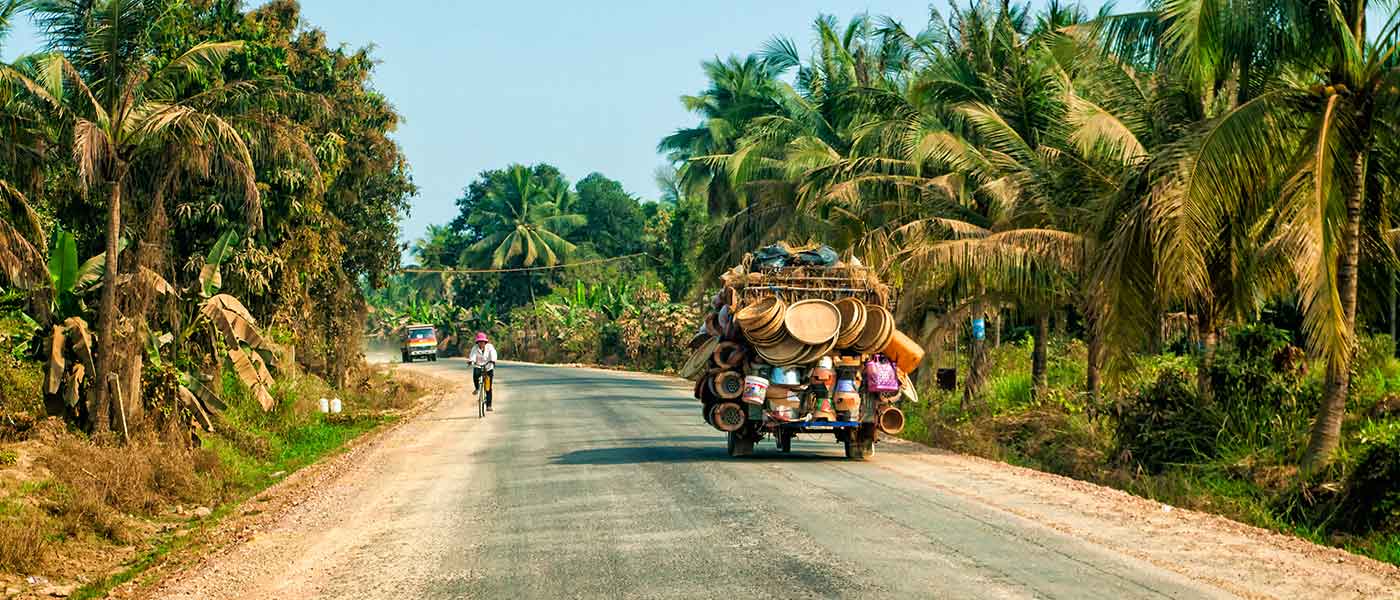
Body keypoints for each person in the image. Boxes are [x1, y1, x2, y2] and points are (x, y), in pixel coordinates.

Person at [468, 332, 498, 410]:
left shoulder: (490, 347)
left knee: (488, 387)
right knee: (475, 375)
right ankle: (477, 388)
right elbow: (472, 356)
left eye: (483, 342)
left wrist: (493, 360)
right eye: (480, 342)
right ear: (477, 342)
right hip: (479, 366)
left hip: (488, 367)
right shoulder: (475, 348)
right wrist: (471, 361)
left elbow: (493, 354)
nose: (481, 343)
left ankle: (489, 405)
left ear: (485, 342)